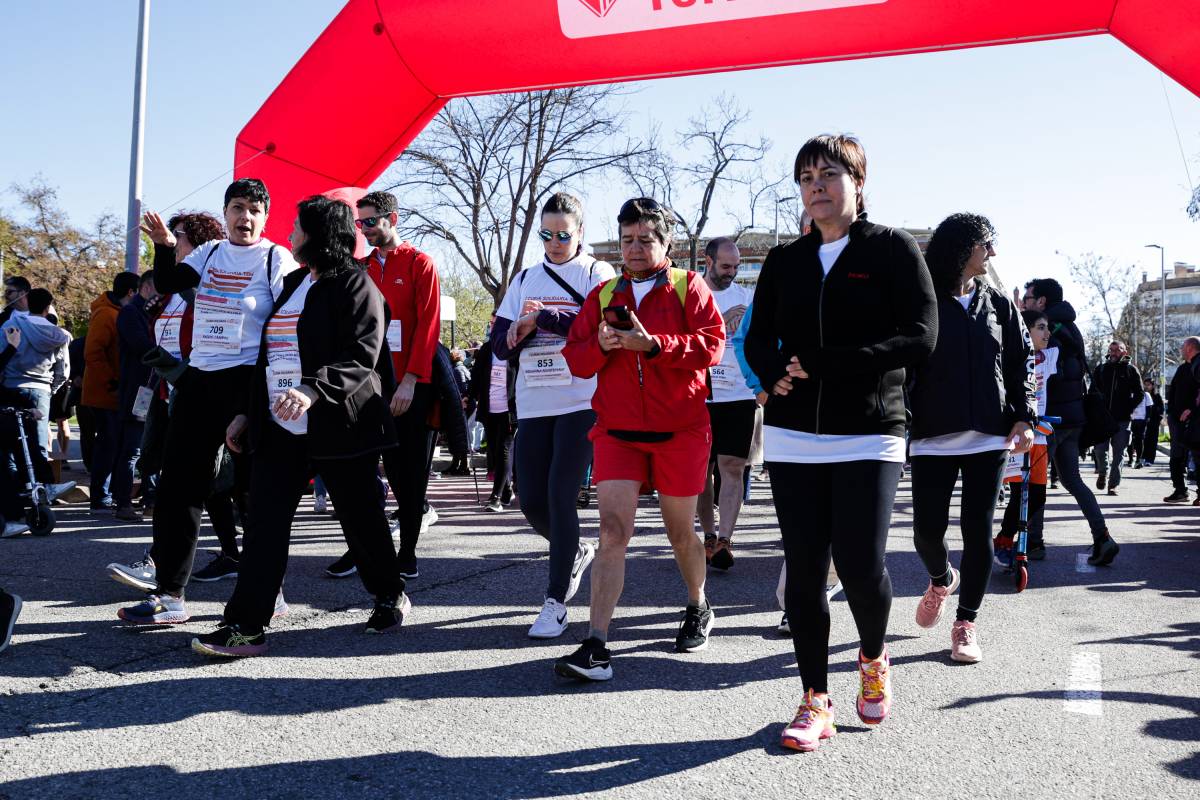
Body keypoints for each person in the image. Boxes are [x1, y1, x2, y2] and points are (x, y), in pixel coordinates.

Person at [744, 135, 937, 751]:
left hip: (871, 430)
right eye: (805, 177)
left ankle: (874, 657)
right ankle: (814, 700)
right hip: (794, 434)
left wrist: (836, 364)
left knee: (858, 563)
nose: (816, 185)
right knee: (803, 570)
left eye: (828, 173)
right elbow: (757, 337)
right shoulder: (784, 261)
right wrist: (771, 374)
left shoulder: (891, 250)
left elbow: (921, 336)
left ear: (858, 182)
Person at [191, 195, 409, 657]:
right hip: (279, 425)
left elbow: (362, 357)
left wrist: (312, 390)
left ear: (316, 235)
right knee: (265, 523)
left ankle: (389, 593)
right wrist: (248, 412)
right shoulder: (292, 283)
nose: (289, 234)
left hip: (340, 426)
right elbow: (266, 356)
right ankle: (246, 624)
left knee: (361, 520)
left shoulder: (356, 285)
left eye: (297, 227)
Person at [553, 196, 724, 681]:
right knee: (612, 532)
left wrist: (654, 345)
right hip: (617, 432)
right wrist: (600, 345)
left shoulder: (689, 287)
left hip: (681, 432)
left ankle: (697, 604)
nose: (634, 248)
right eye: (627, 239)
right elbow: (577, 358)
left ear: (665, 242)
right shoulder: (605, 295)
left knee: (679, 533)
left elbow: (712, 346)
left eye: (645, 239)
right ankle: (597, 645)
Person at [116, 178, 299, 625]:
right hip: (201, 377)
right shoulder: (211, 251)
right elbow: (169, 281)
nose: (246, 218)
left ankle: (267, 592)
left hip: (250, 381)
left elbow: (290, 321)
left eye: (255, 210)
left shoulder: (276, 258)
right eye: (238, 208)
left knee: (254, 493)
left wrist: (271, 389)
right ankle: (171, 596)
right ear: (227, 211)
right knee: (179, 487)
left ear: (266, 216)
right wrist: (162, 245)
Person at [907, 213, 1035, 664]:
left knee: (977, 531)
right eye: (987, 244)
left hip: (988, 435)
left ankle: (966, 623)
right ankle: (942, 579)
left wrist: (1024, 417)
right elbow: (902, 365)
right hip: (930, 435)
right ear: (963, 249)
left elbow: (1022, 365)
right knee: (926, 531)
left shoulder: (999, 304)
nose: (993, 253)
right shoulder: (920, 300)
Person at [492, 191, 614, 638]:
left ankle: (555, 602)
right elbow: (499, 340)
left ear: (580, 233)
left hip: (580, 399)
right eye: (546, 234)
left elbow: (596, 328)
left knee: (562, 495)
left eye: (563, 234)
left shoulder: (596, 271)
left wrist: (545, 319)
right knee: (530, 498)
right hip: (535, 400)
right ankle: (574, 550)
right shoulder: (525, 277)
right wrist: (520, 331)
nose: (555, 242)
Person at [1021, 278, 1118, 564]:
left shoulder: (1045, 327)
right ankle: (1102, 537)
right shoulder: (1070, 326)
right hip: (1073, 418)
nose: (1025, 302)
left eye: (1029, 298)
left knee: (1036, 481)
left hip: (1048, 420)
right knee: (1072, 479)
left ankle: (1034, 542)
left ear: (1041, 302)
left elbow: (1043, 375)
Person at [690, 236, 756, 571]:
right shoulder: (689, 294)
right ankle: (709, 534)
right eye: (726, 266)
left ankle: (726, 540)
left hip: (739, 395)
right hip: (700, 394)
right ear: (709, 260)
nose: (731, 273)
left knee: (732, 468)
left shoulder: (747, 298)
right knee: (702, 471)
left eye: (736, 267)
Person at [996, 309, 1057, 566]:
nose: (1047, 333)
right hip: (1017, 434)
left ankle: (1006, 539)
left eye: (1047, 327)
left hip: (1040, 435)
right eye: (1041, 327)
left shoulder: (1051, 355)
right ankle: (1005, 542)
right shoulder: (1011, 356)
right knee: (1020, 493)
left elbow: (1071, 339)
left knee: (1038, 496)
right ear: (1026, 330)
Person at [83, 272, 139, 511]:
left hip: (114, 392)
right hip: (105, 394)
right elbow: (92, 353)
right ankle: (100, 495)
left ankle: (108, 493)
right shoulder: (106, 314)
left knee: (114, 445)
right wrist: (112, 382)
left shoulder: (114, 312)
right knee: (109, 445)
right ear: (130, 292)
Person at [1, 288, 72, 472]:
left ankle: (14, 488)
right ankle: (40, 488)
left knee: (9, 444)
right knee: (38, 442)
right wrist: (51, 388)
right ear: (48, 308)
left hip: (11, 386)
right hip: (41, 389)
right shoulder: (58, 335)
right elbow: (63, 371)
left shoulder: (10, 326)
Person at [109, 271, 161, 522]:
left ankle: (151, 500)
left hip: (154, 388)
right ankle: (123, 502)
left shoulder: (153, 312)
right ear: (147, 287)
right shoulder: (131, 313)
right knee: (131, 450)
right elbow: (143, 346)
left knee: (152, 449)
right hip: (139, 390)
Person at [467, 319, 515, 512]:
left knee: (503, 448)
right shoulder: (487, 349)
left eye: (497, 323)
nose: (493, 326)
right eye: (492, 323)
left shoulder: (515, 348)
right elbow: (477, 375)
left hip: (510, 409)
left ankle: (495, 497)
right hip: (489, 408)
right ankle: (507, 487)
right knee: (494, 450)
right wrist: (469, 396)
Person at [1090, 341, 1142, 495]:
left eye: (1117, 350)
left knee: (1119, 452)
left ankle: (1113, 485)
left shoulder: (1131, 370)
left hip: (1122, 419)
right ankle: (1102, 473)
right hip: (1102, 419)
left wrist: (1129, 407)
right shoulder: (1101, 369)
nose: (1113, 352)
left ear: (1124, 352)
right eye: (1111, 349)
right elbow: (1092, 391)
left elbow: (1139, 393)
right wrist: (1096, 409)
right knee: (1100, 450)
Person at [1163, 336, 1200, 504]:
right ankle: (1180, 490)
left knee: (1196, 455)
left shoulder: (1197, 365)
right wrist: (1170, 413)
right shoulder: (1184, 367)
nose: (1181, 350)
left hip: (1192, 420)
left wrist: (1191, 409)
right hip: (1176, 420)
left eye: (1182, 347)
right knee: (1176, 457)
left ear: (1190, 347)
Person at [1127, 382, 1151, 469]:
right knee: (1129, 440)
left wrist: (1147, 418)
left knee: (1139, 440)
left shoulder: (1146, 395)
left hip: (1141, 420)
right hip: (1130, 419)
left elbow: (1149, 407)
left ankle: (1138, 459)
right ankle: (1130, 459)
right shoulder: (1128, 393)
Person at [1141, 377, 1164, 465]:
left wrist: (1157, 419)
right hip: (1143, 422)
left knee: (1152, 441)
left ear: (1152, 386)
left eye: (1148, 385)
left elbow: (1161, 410)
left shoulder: (1157, 396)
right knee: (1144, 441)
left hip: (1153, 423)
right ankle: (1142, 457)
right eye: (1145, 385)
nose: (1146, 387)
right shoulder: (1142, 395)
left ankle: (1150, 459)